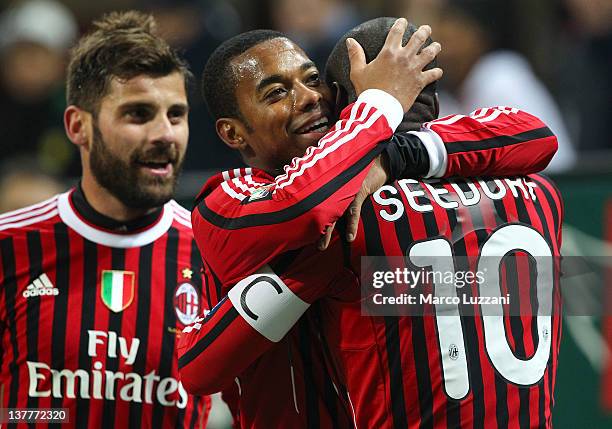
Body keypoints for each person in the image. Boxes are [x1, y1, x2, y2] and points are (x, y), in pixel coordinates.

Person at [179, 19, 560, 427]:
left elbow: (537, 133)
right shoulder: (230, 200)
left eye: (313, 81)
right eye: (277, 92)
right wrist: (378, 105)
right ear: (233, 133)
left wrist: (391, 154)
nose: (309, 98)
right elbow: (308, 205)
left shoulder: (371, 200)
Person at [0, 11, 210, 428]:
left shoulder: (215, 253)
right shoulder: (10, 247)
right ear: (79, 126)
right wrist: (42, 417)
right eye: (138, 114)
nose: (165, 134)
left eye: (176, 114)